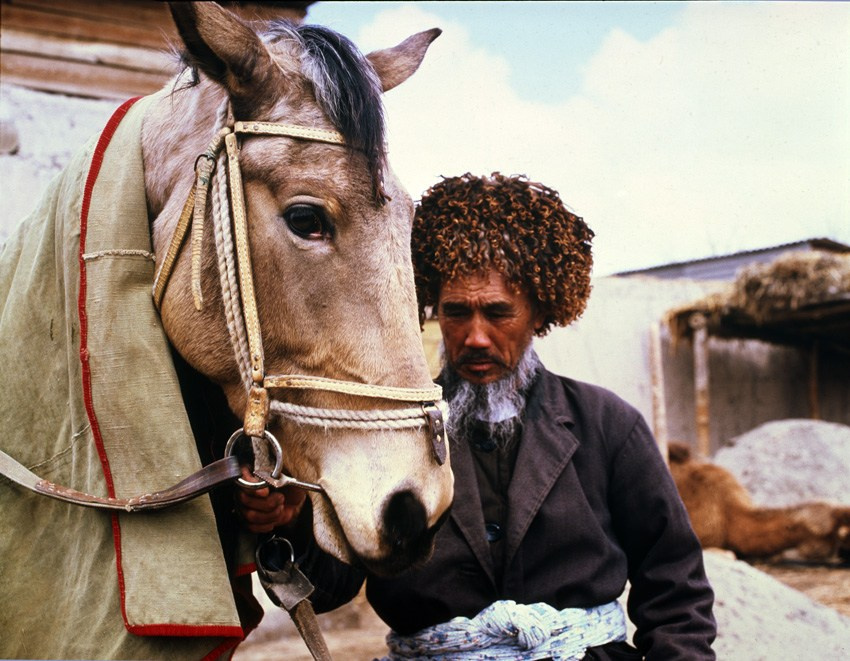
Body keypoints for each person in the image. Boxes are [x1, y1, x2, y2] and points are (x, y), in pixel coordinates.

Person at [237, 172, 716, 659]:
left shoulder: (609, 425)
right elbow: (328, 589)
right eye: (457, 312)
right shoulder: (388, 432)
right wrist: (291, 519)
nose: (476, 336)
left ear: (538, 312)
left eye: (498, 312)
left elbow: (675, 586)